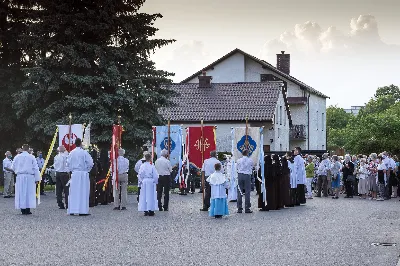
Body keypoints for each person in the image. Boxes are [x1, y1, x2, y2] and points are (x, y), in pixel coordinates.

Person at [67, 138, 94, 216]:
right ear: (81, 143)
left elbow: (67, 164)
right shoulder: (84, 152)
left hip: (75, 174)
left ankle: (72, 209)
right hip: (83, 173)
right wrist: (87, 170)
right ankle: (83, 210)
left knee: (74, 192)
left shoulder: (71, 153)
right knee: (83, 191)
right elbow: (91, 163)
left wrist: (72, 170)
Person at [12, 144, 41, 215]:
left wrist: (18, 171)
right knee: (29, 193)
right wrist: (37, 178)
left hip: (20, 176)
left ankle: (22, 209)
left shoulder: (17, 157)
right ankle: (28, 209)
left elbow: (12, 167)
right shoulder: (31, 157)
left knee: (21, 192)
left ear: (22, 149)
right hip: (29, 176)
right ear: (28, 149)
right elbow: (35, 168)